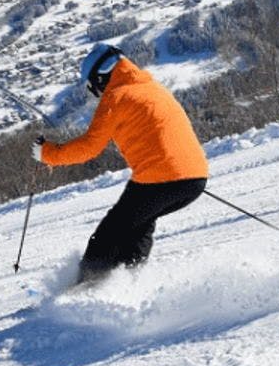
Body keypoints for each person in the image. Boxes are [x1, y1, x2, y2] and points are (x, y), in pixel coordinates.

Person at [32, 44, 208, 282]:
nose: (96, 93)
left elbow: (89, 147)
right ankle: (127, 282)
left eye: (93, 86)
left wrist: (48, 153)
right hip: (194, 178)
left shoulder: (116, 96)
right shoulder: (153, 88)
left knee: (110, 232)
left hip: (161, 178)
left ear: (101, 77)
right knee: (138, 223)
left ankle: (86, 287)